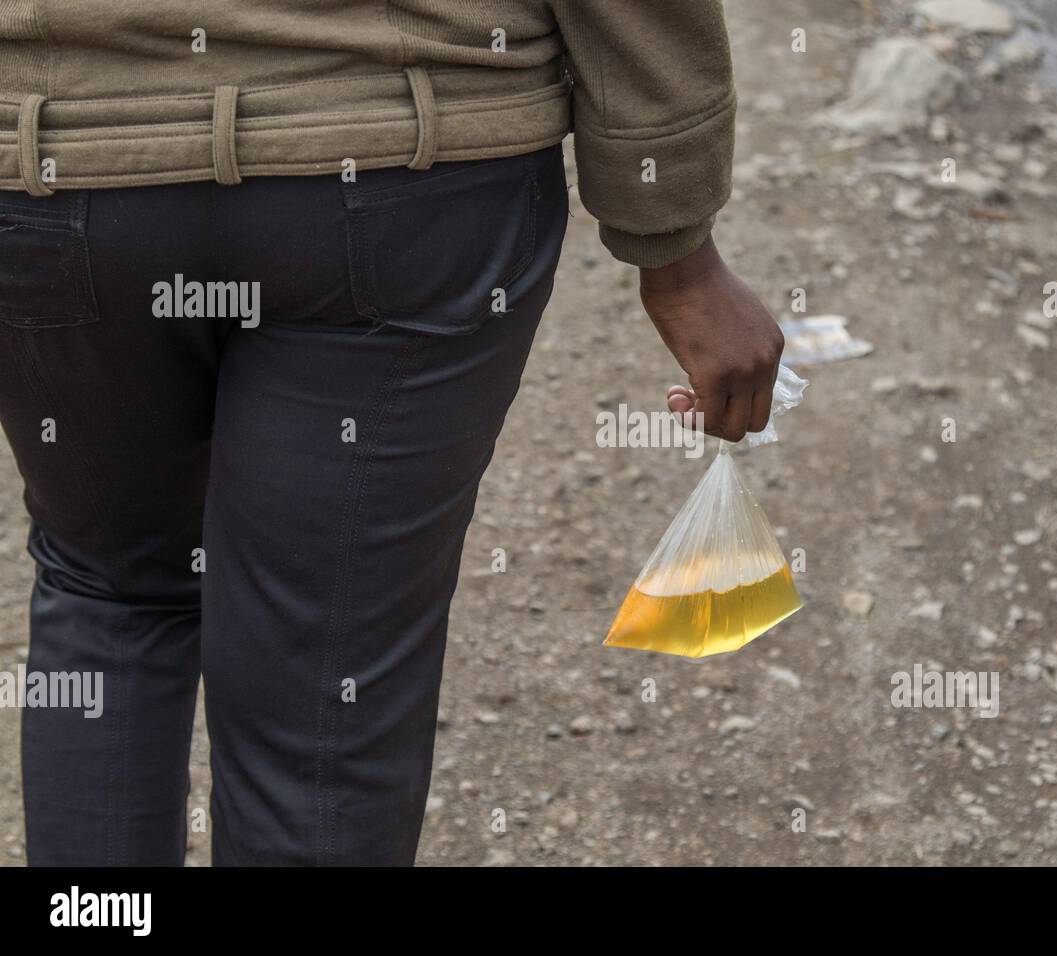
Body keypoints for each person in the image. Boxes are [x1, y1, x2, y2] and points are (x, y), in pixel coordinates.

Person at [0, 1, 784, 865]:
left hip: (57, 167)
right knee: (328, 678)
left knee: (111, 595)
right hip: (405, 168)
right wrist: (674, 245)